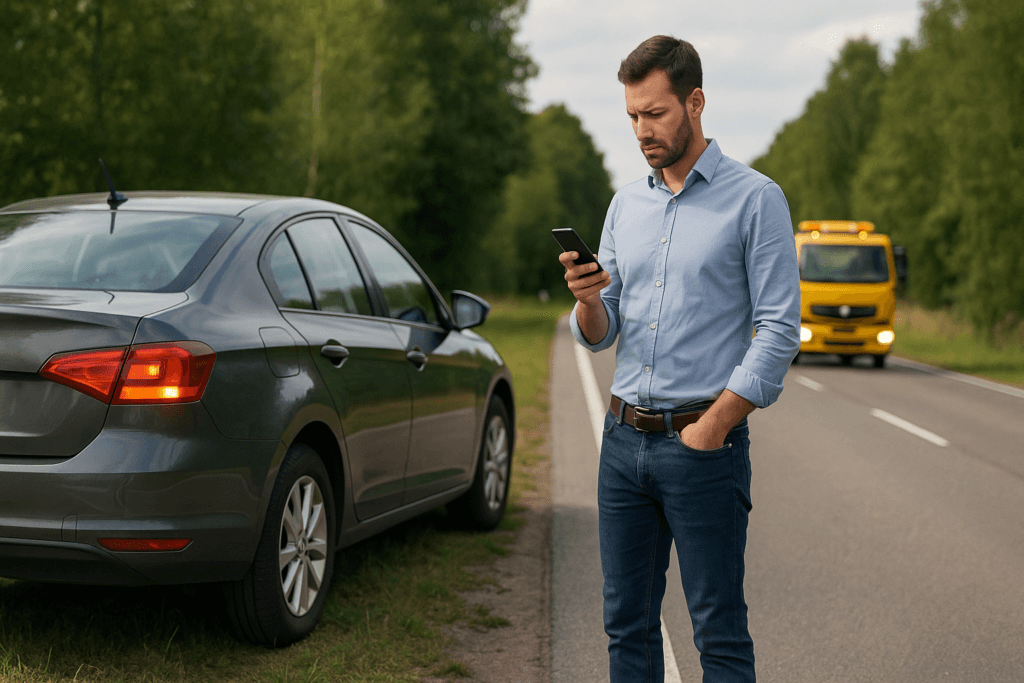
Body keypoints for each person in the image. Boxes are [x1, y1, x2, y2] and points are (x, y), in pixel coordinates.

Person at [559, 35, 800, 682]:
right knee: (625, 628)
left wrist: (714, 427)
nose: (642, 130)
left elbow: (779, 330)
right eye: (633, 115)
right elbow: (603, 333)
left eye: (656, 113)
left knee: (717, 631)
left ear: (695, 102)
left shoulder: (755, 199)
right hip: (621, 441)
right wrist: (586, 301)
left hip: (703, 446)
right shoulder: (624, 205)